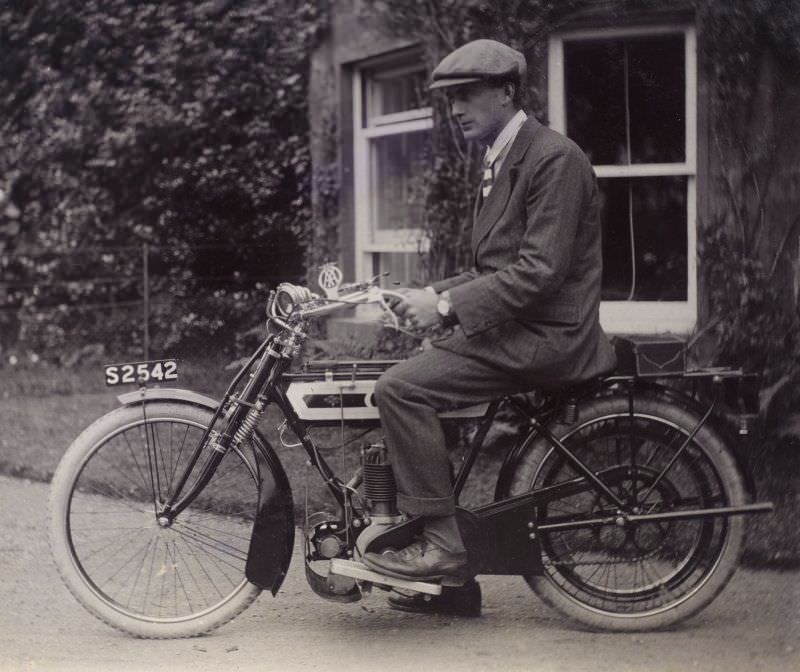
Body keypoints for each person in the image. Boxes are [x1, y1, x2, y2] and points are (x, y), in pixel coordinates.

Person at [362, 39, 617, 616]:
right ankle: (452, 583)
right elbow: (493, 270)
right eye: (450, 99)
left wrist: (448, 310)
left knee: (400, 389)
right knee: (409, 374)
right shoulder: (503, 157)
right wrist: (430, 296)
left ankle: (444, 549)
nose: (455, 109)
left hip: (549, 335)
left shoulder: (554, 158)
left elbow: (541, 272)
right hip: (523, 325)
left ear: (507, 91)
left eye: (467, 95)